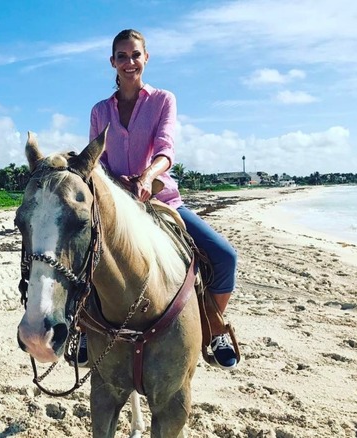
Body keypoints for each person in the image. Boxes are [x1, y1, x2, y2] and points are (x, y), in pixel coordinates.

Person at [83, 29, 238, 369]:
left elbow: (166, 149)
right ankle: (84, 329)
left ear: (146, 58)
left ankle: (213, 329)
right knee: (79, 253)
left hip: (161, 200)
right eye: (122, 56)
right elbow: (97, 159)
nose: (129, 62)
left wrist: (146, 178)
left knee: (225, 257)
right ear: (112, 62)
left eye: (135, 55)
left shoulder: (163, 100)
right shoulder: (99, 111)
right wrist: (115, 184)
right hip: (116, 206)